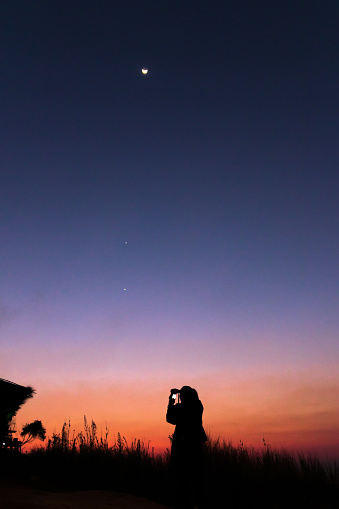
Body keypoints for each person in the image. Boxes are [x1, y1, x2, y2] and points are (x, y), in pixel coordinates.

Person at [166, 386, 207, 509]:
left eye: (182, 395)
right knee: (195, 476)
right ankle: (196, 503)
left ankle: (184, 502)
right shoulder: (198, 406)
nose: (181, 398)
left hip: (182, 447)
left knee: (181, 477)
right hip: (195, 446)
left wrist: (172, 399)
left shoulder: (182, 408)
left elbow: (170, 418)